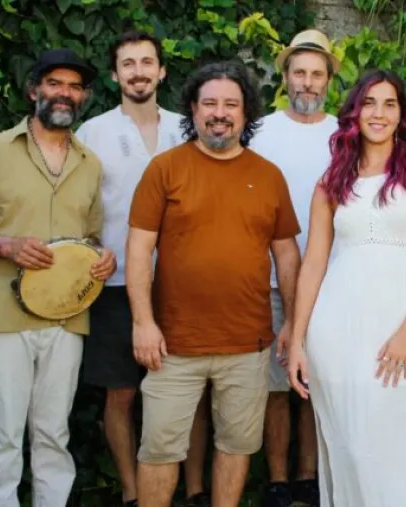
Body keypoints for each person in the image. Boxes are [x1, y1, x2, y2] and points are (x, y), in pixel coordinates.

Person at [0, 48, 116, 507]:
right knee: (2, 435)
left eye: (75, 86)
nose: (65, 93)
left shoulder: (90, 163)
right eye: (55, 83)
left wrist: (103, 259)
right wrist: (7, 246)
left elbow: (90, 238)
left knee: (54, 434)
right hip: (1, 317)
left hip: (66, 320)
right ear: (33, 90)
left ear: (84, 97)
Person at [127, 61, 302, 507]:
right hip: (172, 345)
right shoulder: (164, 169)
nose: (219, 113)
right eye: (210, 103)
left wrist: (292, 321)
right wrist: (143, 323)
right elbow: (138, 250)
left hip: (247, 344)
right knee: (160, 450)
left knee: (236, 446)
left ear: (246, 113)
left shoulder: (268, 175)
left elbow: (286, 254)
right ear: (193, 109)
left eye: (230, 104)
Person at [287, 69, 406, 506]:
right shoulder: (330, 183)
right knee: (348, 444)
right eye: (369, 103)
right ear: (354, 112)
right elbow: (314, 265)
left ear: (402, 115)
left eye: (389, 104)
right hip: (336, 328)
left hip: (400, 326)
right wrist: (299, 339)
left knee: (386, 445)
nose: (379, 113)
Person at [75, 30, 210, 507]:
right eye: (128, 64)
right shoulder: (92, 134)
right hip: (115, 284)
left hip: (183, 285)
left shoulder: (187, 129)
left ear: (162, 71)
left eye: (146, 62)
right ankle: (133, 494)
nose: (138, 72)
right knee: (122, 395)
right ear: (115, 75)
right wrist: (92, 249)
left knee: (191, 392)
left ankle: (194, 490)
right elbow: (77, 206)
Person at [249, 28, 340, 507]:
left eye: (316, 74)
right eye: (299, 73)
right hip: (267, 279)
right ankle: (278, 478)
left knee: (316, 383)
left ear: (329, 81)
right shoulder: (260, 132)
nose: (307, 82)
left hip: (329, 282)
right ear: (285, 77)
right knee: (274, 385)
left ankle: (310, 473)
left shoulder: (344, 135)